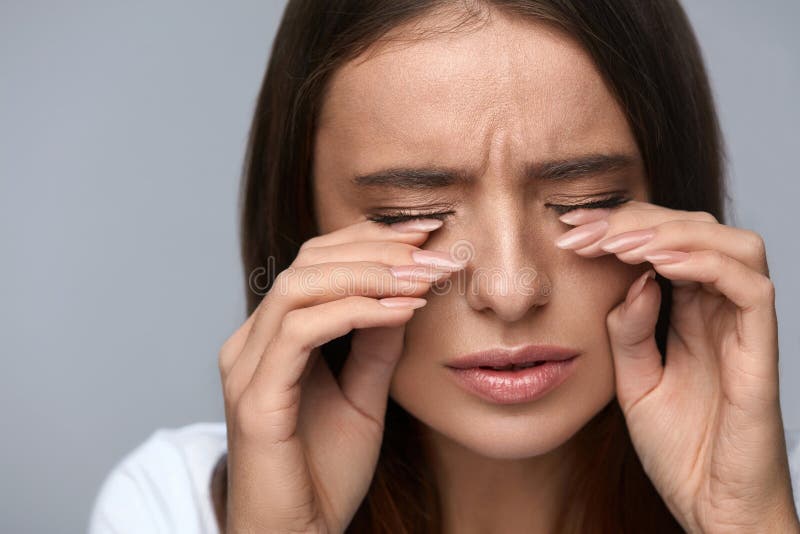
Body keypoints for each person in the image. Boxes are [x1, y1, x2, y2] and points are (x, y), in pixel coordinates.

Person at [88, 1, 800, 532]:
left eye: (587, 200)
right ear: (303, 226)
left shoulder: (774, 502)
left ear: (672, 202)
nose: (510, 289)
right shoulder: (169, 504)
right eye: (408, 213)